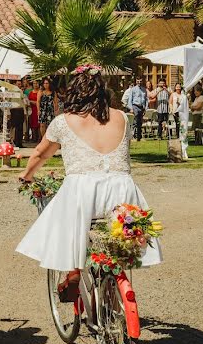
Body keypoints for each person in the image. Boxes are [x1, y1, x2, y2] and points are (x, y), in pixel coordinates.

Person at [16, 64, 162, 289]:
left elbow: (40, 154)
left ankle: (74, 271)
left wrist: (26, 175)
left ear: (73, 92)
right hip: (122, 192)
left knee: (63, 226)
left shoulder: (63, 121)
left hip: (82, 192)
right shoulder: (123, 117)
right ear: (103, 90)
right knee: (118, 240)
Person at [10, 79, 26, 148]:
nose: (19, 85)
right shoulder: (10, 91)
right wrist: (8, 112)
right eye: (18, 84)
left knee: (20, 127)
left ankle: (19, 143)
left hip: (20, 110)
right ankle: (14, 141)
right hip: (14, 110)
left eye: (20, 84)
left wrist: (24, 111)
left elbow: (23, 102)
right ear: (14, 84)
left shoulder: (20, 91)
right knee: (14, 126)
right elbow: (8, 101)